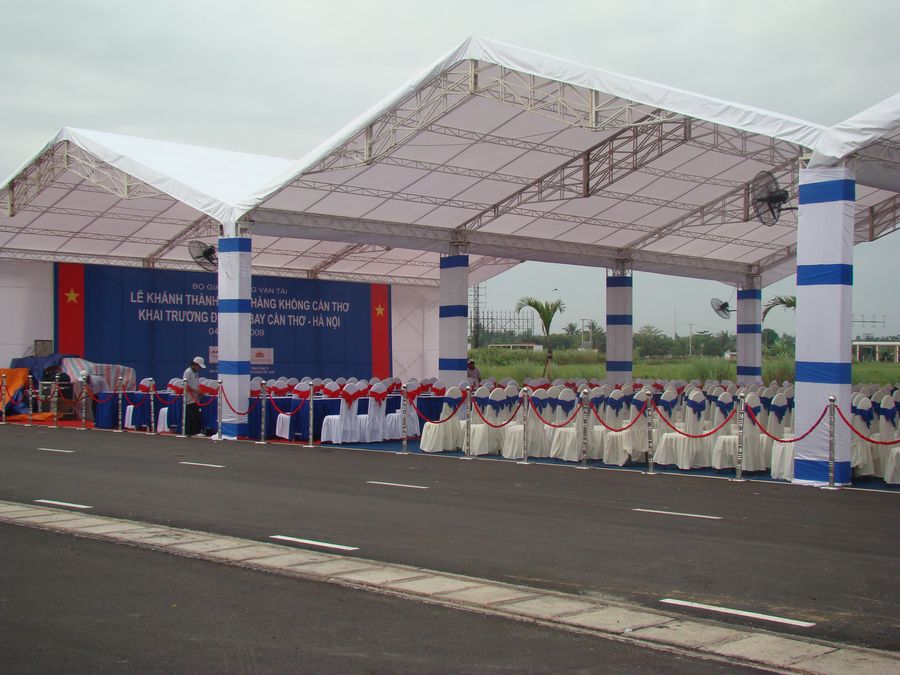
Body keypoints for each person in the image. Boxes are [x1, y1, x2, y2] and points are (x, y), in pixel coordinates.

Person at [182, 356, 206, 436]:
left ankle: (195, 431)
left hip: (195, 397)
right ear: (195, 364)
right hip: (189, 398)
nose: (199, 368)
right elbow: (185, 385)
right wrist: (196, 391)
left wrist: (199, 392)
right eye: (199, 366)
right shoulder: (188, 372)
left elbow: (196, 384)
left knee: (196, 415)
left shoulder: (195, 372)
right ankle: (192, 431)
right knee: (192, 415)